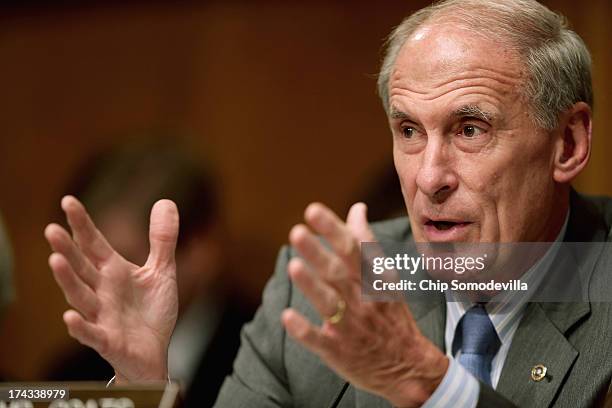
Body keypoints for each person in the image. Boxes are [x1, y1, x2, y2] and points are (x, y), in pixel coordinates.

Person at [44, 0, 612, 406]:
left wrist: (435, 387)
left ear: (568, 143)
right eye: (409, 131)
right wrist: (142, 384)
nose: (429, 177)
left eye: (469, 129)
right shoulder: (320, 287)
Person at [44, 143, 254, 408]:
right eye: (85, 260)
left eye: (122, 256)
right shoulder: (70, 375)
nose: (100, 280)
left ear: (200, 250)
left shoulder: (269, 360)